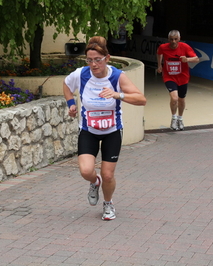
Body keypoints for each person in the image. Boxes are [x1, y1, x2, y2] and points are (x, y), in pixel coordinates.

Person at [63, 36, 146, 220]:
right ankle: (95, 182)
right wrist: (71, 104)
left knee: (108, 175)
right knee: (86, 171)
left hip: (112, 131)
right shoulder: (81, 74)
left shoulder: (117, 76)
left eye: (98, 60)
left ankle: (108, 204)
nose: (94, 64)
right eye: (90, 60)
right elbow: (67, 85)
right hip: (88, 131)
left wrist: (117, 95)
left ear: (107, 58)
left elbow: (141, 99)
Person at [156, 30, 199, 130]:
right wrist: (159, 65)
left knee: (181, 99)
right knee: (174, 98)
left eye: (175, 39)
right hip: (169, 76)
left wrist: (187, 59)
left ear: (179, 39)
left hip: (183, 77)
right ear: (168, 40)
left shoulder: (185, 47)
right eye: (171, 39)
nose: (173, 41)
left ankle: (180, 119)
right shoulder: (163, 47)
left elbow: (196, 59)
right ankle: (174, 118)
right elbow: (159, 53)